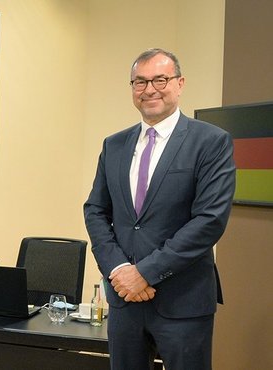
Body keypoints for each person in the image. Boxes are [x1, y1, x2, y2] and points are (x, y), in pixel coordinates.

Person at [84, 48, 235, 370]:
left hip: (183, 301)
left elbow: (209, 220)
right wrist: (118, 271)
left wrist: (144, 273)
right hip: (124, 299)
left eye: (160, 79)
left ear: (179, 84)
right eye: (140, 82)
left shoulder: (211, 141)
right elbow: (96, 209)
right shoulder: (115, 144)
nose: (149, 89)